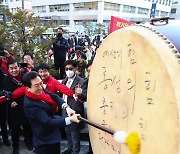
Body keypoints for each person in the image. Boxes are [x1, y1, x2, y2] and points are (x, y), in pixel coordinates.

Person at [22, 71, 81, 154]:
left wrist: (66, 107)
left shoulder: (39, 91)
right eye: (36, 85)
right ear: (28, 88)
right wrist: (70, 120)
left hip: (53, 134)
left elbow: (54, 96)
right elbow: (48, 122)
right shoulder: (30, 105)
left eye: (41, 83)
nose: (40, 87)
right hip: (44, 139)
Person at [0, 59, 33, 154]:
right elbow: (4, 95)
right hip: (13, 109)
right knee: (15, 129)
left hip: (26, 105)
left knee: (27, 127)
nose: (14, 70)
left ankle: (29, 142)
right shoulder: (5, 81)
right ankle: (15, 146)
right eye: (11, 68)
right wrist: (10, 101)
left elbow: (30, 90)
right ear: (8, 69)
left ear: (19, 67)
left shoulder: (25, 77)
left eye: (15, 67)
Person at [62, 60, 87, 154]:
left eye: (70, 69)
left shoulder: (81, 81)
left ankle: (76, 151)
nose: (68, 71)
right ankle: (70, 148)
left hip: (75, 110)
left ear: (76, 68)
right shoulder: (65, 80)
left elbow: (85, 97)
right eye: (66, 69)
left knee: (74, 133)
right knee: (67, 131)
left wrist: (80, 94)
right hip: (65, 109)